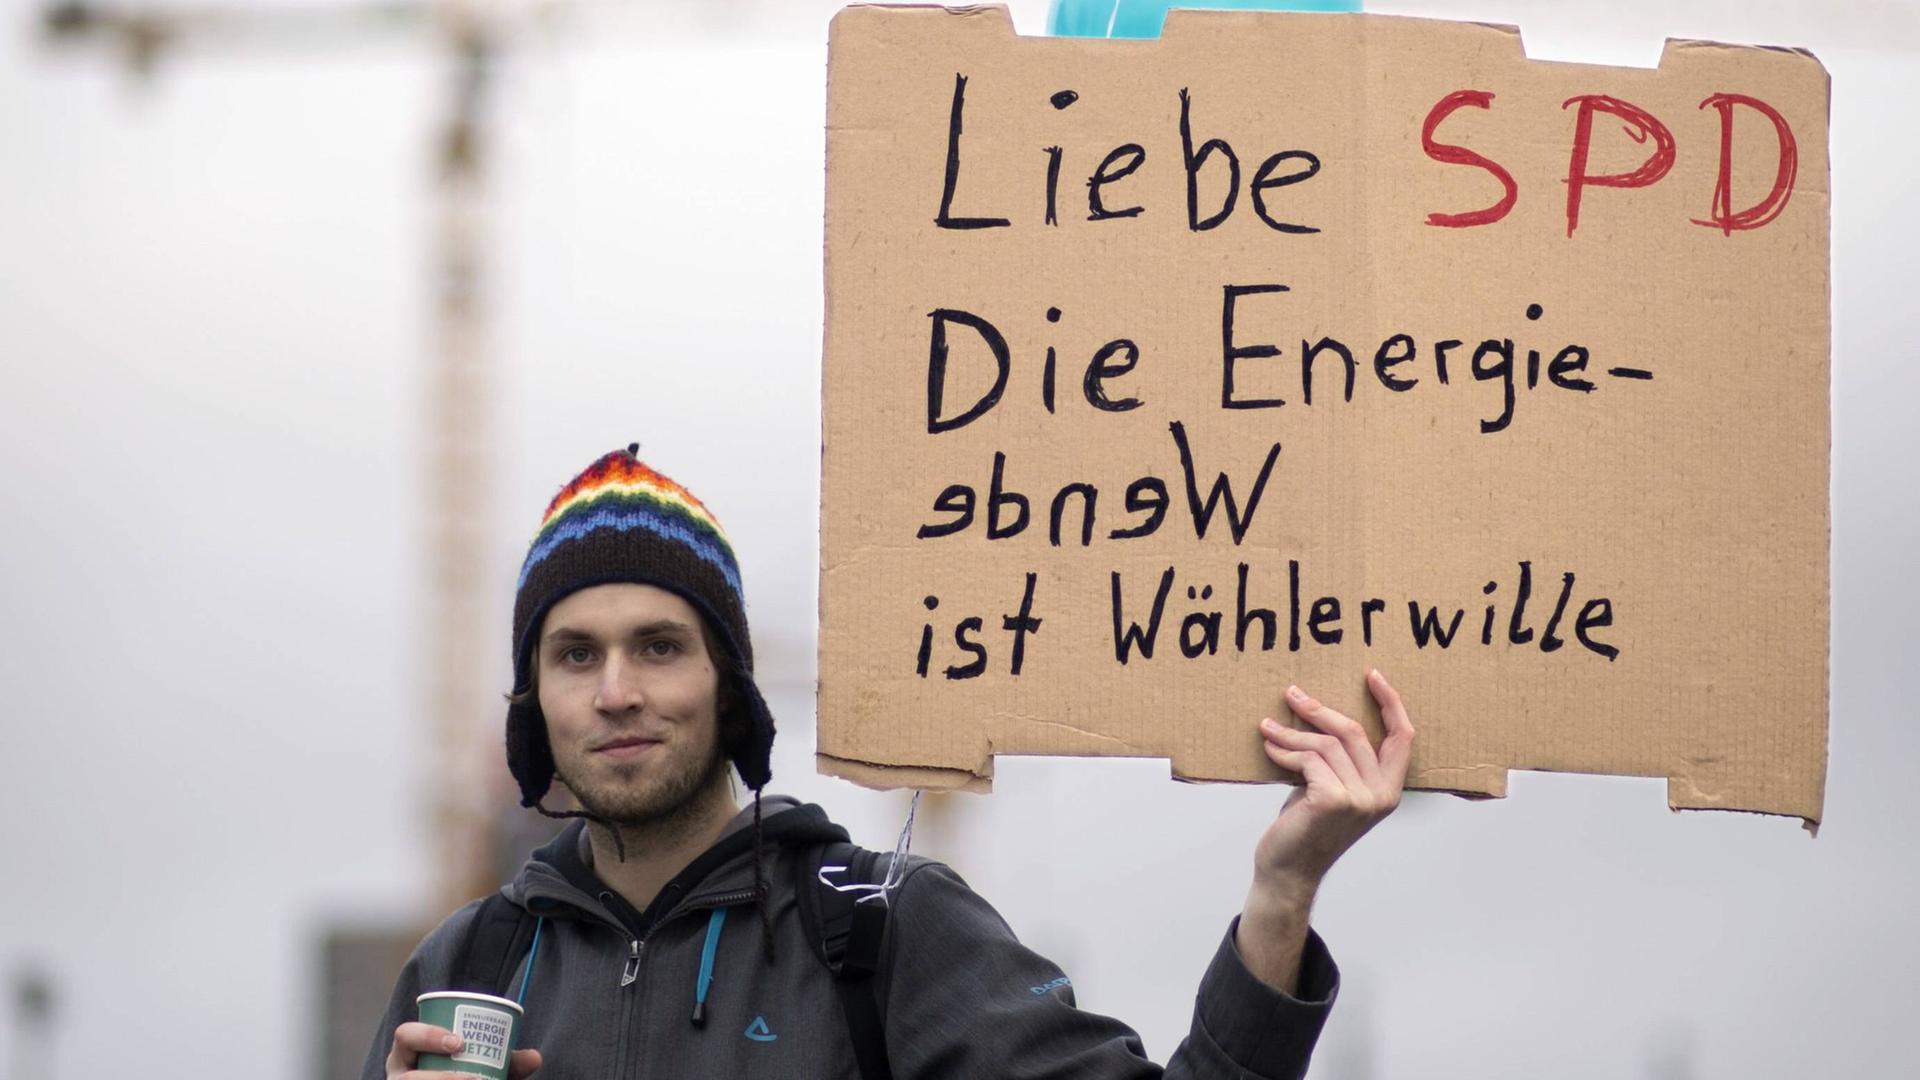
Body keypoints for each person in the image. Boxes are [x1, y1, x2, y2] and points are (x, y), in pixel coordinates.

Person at [362, 445, 1416, 1080]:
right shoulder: (469, 965)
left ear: (729, 684)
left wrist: (1284, 891)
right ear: (532, 701)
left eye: (660, 646)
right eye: (574, 654)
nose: (617, 692)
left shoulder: (878, 929)